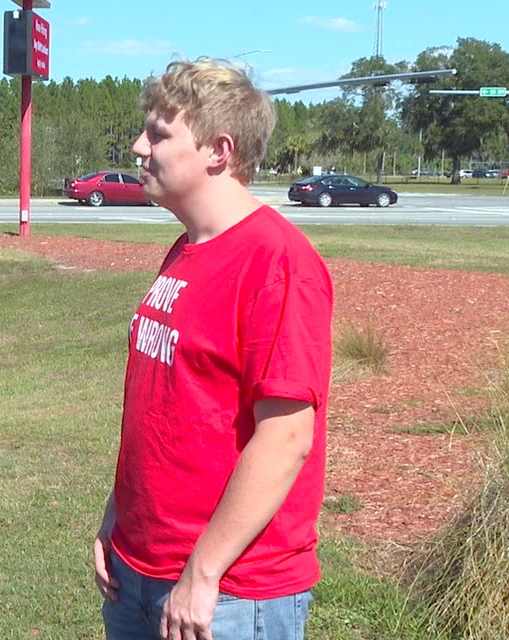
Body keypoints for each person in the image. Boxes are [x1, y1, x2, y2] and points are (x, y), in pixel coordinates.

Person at [92, 59, 333, 640]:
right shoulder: (185, 249)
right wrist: (116, 519)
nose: (137, 146)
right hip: (139, 571)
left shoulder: (278, 264)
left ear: (217, 151)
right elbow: (163, 410)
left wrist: (202, 573)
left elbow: (286, 439)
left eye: (158, 133)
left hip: (226, 596)